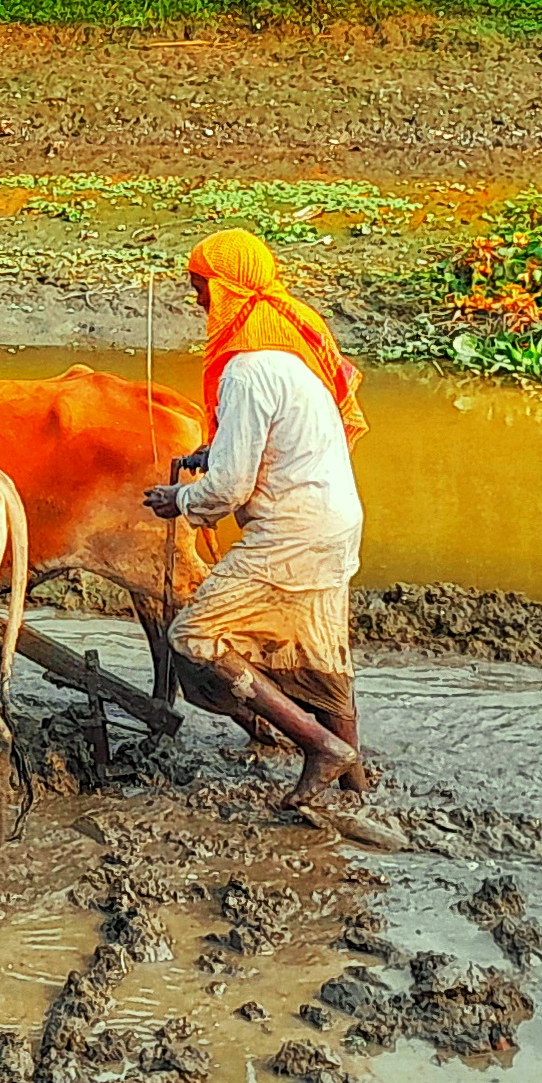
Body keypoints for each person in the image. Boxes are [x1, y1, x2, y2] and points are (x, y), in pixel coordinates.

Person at [143, 226, 372, 803]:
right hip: (335, 520)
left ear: (228, 292)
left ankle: (319, 747)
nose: (197, 300)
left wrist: (182, 502)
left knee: (192, 637)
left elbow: (231, 486)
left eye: (201, 288)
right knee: (324, 659)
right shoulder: (290, 359)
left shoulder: (246, 370)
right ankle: (355, 785)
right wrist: (209, 455)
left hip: (290, 530)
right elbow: (272, 446)